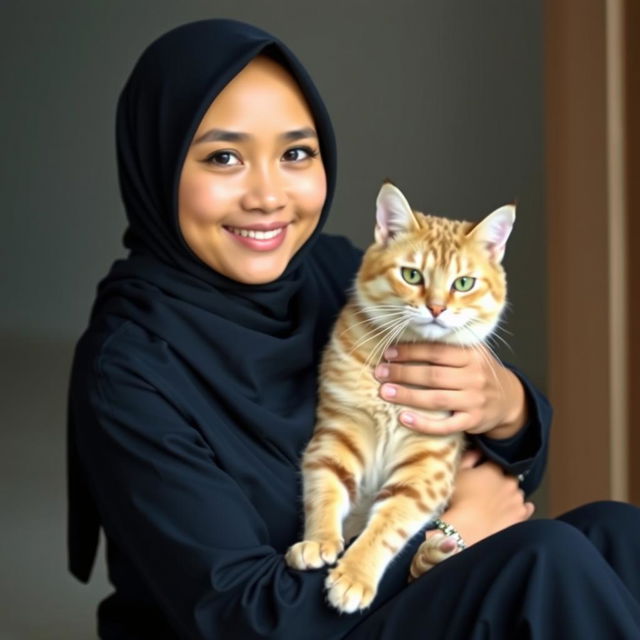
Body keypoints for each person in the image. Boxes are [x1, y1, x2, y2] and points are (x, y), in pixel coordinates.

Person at [66, 18, 640, 639]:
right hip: (280, 623)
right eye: (223, 157)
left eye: (295, 154)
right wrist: (450, 534)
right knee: (544, 564)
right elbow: (243, 619)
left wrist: (505, 407)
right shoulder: (128, 369)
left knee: (617, 532)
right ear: (157, 163)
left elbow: (499, 475)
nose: (267, 195)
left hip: (369, 592)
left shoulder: (339, 272)